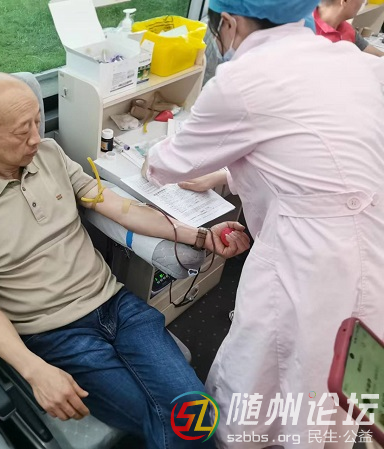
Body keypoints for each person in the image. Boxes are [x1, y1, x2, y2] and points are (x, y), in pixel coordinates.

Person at [0, 72, 250, 449]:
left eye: (37, 121)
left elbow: (118, 207)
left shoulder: (48, 154)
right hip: (56, 333)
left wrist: (200, 236)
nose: (35, 137)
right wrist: (34, 371)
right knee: (181, 420)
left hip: (117, 306)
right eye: (21, 131)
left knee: (192, 411)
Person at [144, 0, 384, 447]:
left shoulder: (242, 79)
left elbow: (163, 165)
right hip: (371, 243)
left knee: (266, 367)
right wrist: (223, 173)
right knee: (338, 382)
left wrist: (150, 158)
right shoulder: (350, 61)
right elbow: (306, 150)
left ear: (228, 23)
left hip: (310, 259)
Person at [314, 0, 384, 56]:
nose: (363, 2)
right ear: (345, 1)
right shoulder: (309, 30)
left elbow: (377, 54)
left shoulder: (347, 29)